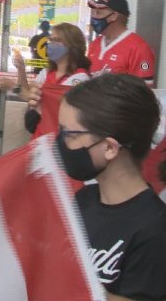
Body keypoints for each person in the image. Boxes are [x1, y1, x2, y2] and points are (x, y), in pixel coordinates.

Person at [57, 74, 166, 300]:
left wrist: (75, 285)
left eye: (69, 134)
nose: (61, 143)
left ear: (109, 147)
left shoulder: (155, 228)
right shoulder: (84, 199)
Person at [86, 0, 154, 85]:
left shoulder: (139, 48)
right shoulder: (95, 44)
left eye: (98, 13)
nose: (94, 17)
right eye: (93, 12)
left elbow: (144, 91)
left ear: (114, 15)